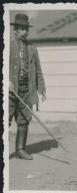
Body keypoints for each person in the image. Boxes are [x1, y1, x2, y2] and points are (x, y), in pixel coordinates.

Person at [9, 14, 46, 160]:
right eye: (21, 29)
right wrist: (7, 82)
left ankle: (20, 149)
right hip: (10, 91)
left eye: (26, 29)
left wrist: (41, 89)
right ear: (15, 30)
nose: (24, 32)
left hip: (26, 90)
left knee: (24, 120)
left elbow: (38, 70)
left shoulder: (32, 48)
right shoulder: (8, 46)